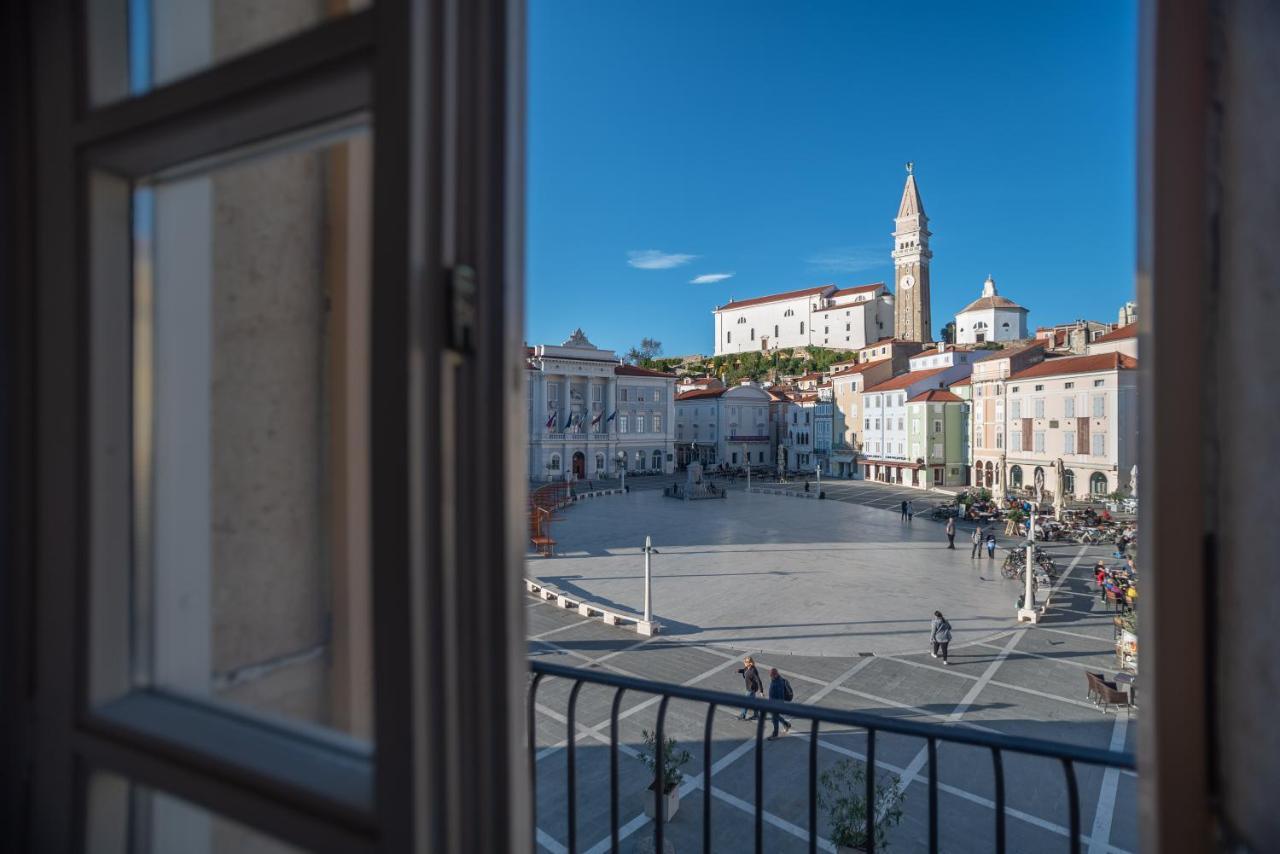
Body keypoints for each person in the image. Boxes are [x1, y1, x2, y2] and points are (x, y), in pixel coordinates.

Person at [765, 667, 793, 739]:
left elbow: (781, 696)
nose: (770, 676)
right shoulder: (776, 679)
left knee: (774, 719)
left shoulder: (778, 683)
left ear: (775, 675)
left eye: (771, 675)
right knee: (775, 716)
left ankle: (775, 734)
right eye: (770, 675)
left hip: (776, 704)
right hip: (773, 702)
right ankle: (786, 724)